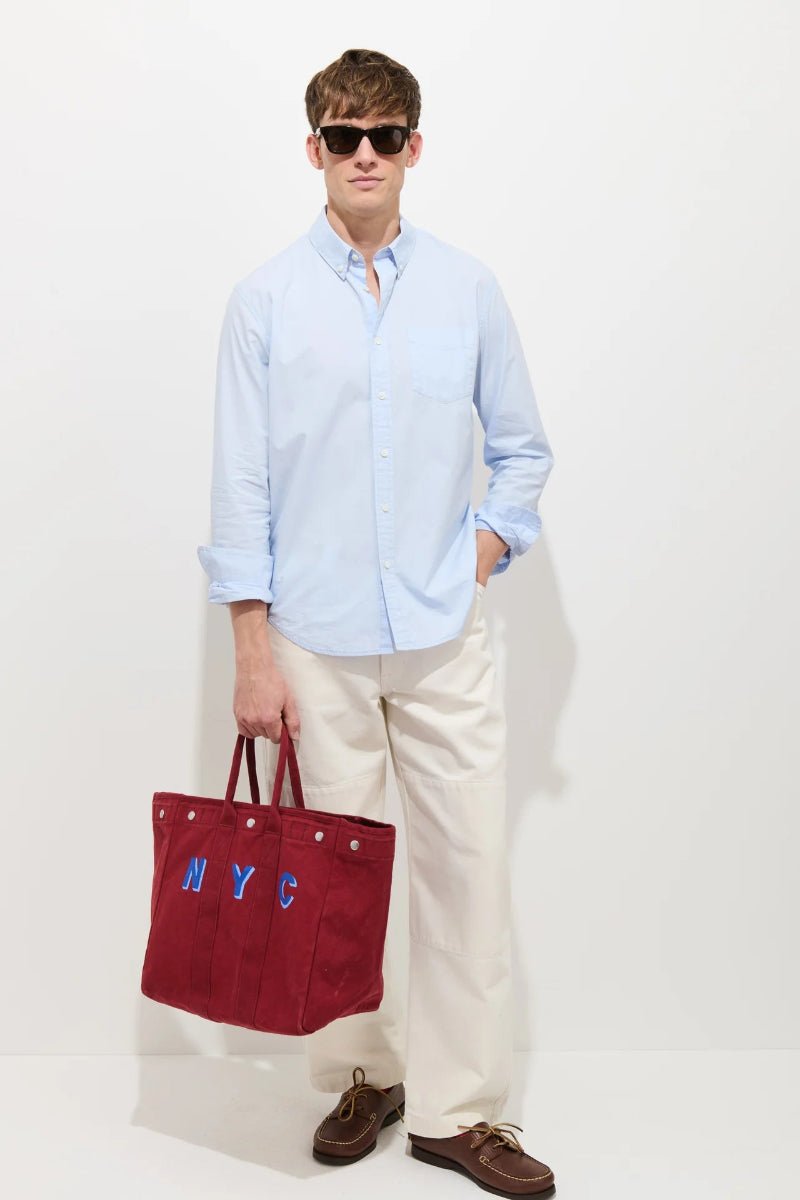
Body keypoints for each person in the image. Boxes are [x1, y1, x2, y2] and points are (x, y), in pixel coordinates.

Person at [197, 46, 556, 1198]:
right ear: (312, 149)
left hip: (444, 631)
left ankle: (457, 1113)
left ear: (412, 148)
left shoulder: (467, 289)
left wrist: (486, 548)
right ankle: (365, 1076)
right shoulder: (263, 302)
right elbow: (239, 487)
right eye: (342, 135)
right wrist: (251, 646)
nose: (364, 155)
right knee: (332, 883)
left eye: (384, 135)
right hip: (311, 639)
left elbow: (521, 448)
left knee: (465, 867)